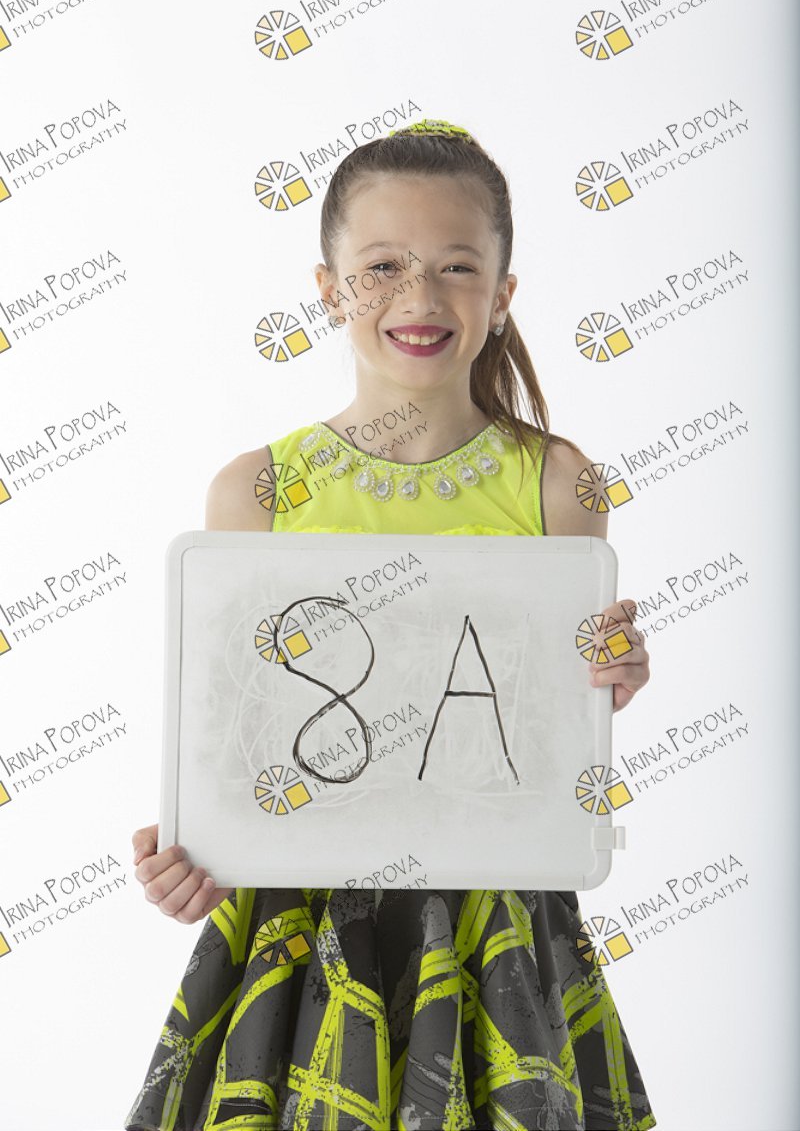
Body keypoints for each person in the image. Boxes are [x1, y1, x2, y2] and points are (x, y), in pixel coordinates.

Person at [125, 119, 656, 1130]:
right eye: (381, 267)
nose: (419, 296)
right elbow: (234, 736)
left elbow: (546, 733)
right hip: (301, 923)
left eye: (457, 266)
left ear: (502, 293)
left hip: (497, 919)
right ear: (329, 289)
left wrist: (609, 677)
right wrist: (192, 844)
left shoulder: (557, 482)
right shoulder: (257, 490)